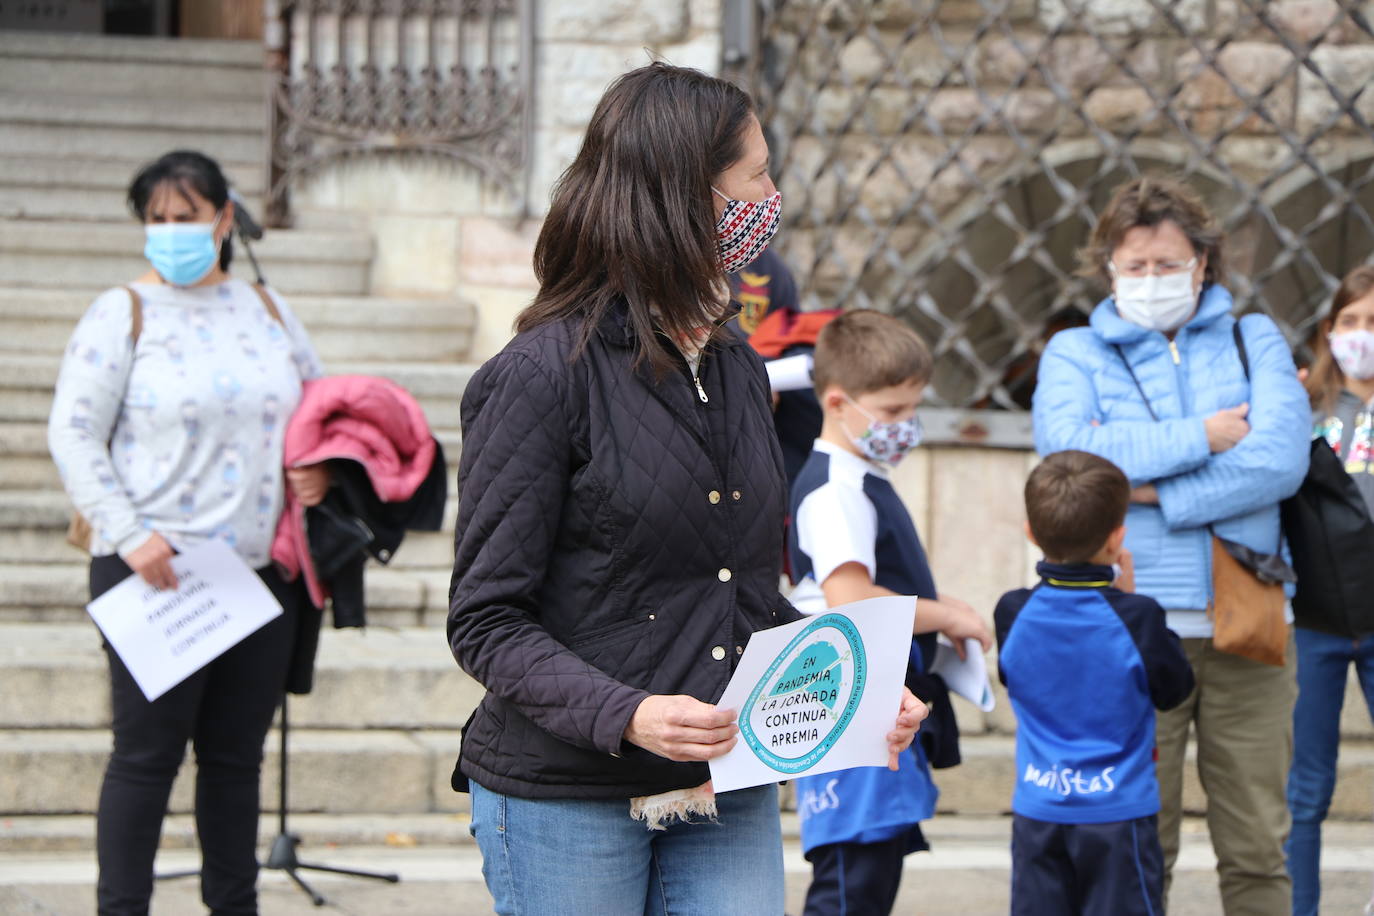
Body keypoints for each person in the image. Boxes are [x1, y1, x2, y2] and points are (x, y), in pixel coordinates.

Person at [445, 63, 927, 916]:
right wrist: (627, 714)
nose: (773, 198)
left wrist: (853, 689)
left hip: (723, 782)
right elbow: (486, 620)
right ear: (688, 196)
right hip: (565, 793)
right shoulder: (536, 377)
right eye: (757, 176)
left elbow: (740, 594)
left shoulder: (738, 366)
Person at [47, 150, 328, 915]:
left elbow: (319, 412)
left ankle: (234, 906)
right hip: (154, 572)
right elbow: (73, 432)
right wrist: (130, 533)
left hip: (259, 574)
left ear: (223, 220)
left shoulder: (267, 311)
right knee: (145, 758)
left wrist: (319, 470)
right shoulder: (122, 312)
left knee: (236, 762)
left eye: (186, 217)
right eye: (157, 220)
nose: (170, 232)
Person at [1032, 175, 1310, 913]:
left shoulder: (1256, 340)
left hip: (1246, 627)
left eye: (1168, 264)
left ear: (1204, 265)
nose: (1152, 281)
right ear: (1110, 270)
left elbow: (1281, 460)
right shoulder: (1074, 352)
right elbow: (1069, 457)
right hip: (1129, 627)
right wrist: (1205, 437)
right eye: (1136, 267)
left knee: (1256, 846)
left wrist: (1156, 491)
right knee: (1137, 845)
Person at [786, 309, 992, 915]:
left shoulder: (857, 478)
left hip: (871, 702)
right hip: (850, 705)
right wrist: (946, 616)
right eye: (893, 411)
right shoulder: (835, 492)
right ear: (839, 402)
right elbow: (850, 600)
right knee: (853, 880)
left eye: (912, 409)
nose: (906, 426)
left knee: (870, 874)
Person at [995, 449, 1195, 916]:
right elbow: (1174, 689)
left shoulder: (1012, 610)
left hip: (1039, 809)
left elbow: (1014, 676)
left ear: (1031, 533)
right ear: (1117, 539)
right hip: (1118, 815)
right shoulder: (1139, 617)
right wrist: (1127, 601)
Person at [1285, 265, 1374, 916]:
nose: (1362, 336)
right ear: (1328, 330)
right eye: (1351, 321)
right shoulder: (1302, 410)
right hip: (1312, 619)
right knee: (1305, 790)